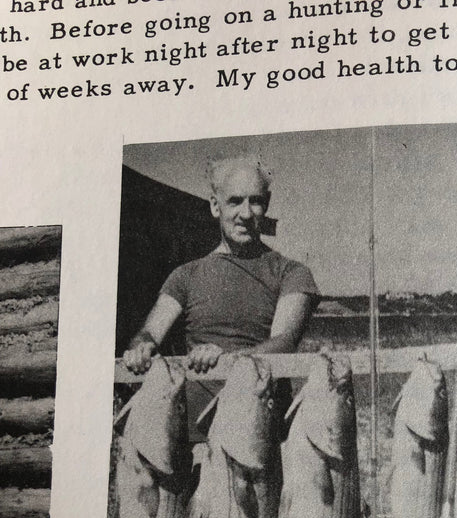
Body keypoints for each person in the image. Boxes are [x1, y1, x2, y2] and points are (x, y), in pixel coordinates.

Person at [124, 157, 319, 415]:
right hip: (192, 435)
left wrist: (224, 357)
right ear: (215, 206)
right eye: (235, 201)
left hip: (259, 425)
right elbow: (150, 333)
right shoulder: (184, 275)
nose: (246, 213)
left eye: (256, 201)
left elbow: (284, 342)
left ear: (267, 204)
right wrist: (142, 347)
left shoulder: (292, 273)